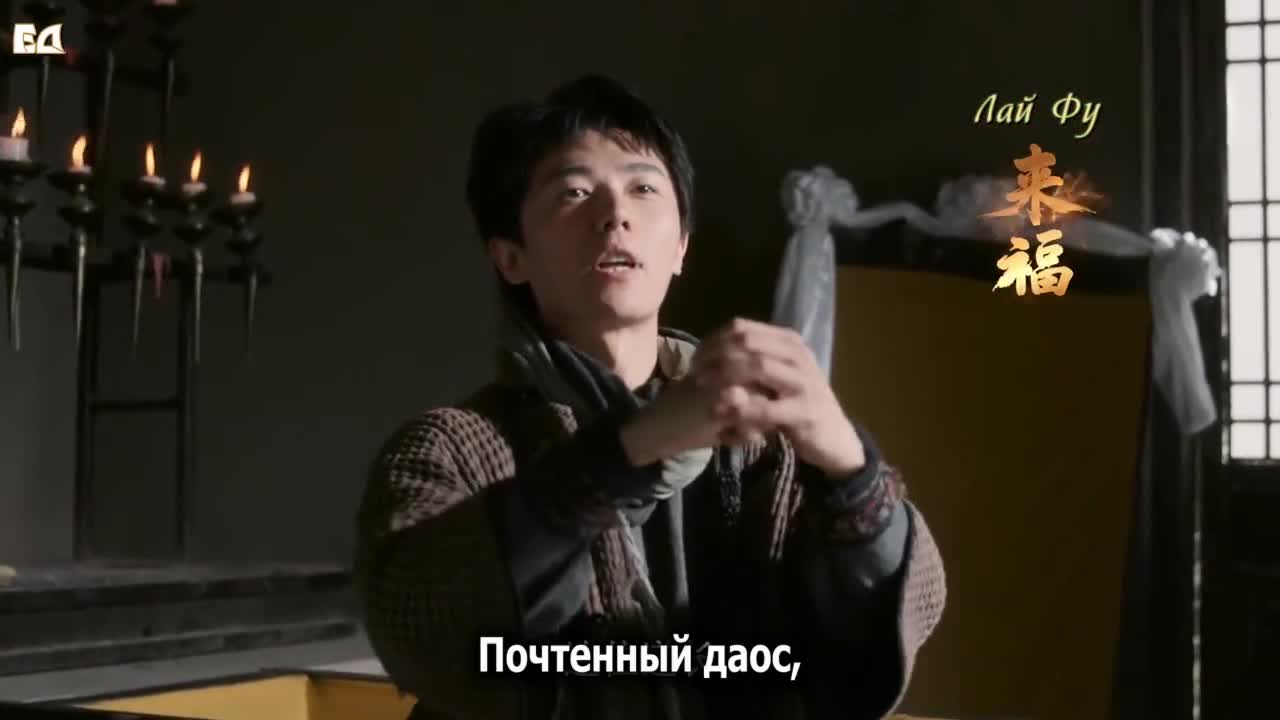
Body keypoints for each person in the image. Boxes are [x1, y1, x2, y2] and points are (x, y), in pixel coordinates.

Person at [354, 75, 946, 720]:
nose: (616, 215)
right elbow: (419, 624)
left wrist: (852, 474)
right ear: (510, 257)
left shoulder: (765, 441)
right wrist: (631, 450)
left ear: (681, 246)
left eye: (643, 188)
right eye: (574, 192)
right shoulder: (449, 446)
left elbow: (874, 631)